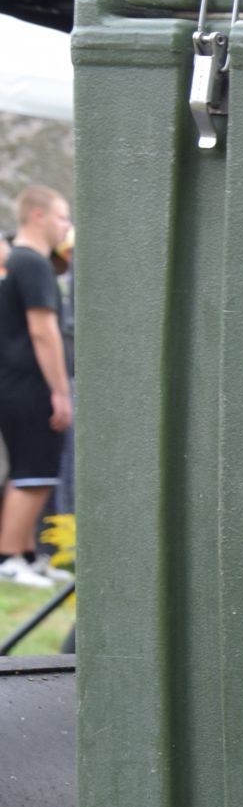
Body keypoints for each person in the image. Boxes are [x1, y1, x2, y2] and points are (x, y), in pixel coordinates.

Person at [0, 186, 73, 588]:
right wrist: (60, 391)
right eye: (62, 216)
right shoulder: (31, 264)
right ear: (37, 216)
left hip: (16, 383)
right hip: (31, 385)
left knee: (29, 471)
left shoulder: (21, 262)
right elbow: (43, 331)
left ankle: (27, 555)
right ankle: (10, 558)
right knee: (35, 471)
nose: (67, 226)